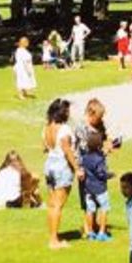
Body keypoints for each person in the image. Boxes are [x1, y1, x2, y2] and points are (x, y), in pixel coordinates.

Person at [43, 99, 78, 250]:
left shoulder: (46, 128)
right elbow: (67, 150)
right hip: (61, 167)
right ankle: (54, 240)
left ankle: (53, 235)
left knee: (52, 204)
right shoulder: (64, 129)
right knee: (58, 205)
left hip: (49, 165)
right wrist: (77, 168)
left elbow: (44, 148)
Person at [79, 130, 112, 241]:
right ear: (100, 144)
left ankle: (90, 232)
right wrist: (109, 175)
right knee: (104, 209)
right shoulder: (100, 159)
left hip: (88, 189)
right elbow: (101, 173)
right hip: (100, 189)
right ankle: (102, 232)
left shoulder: (84, 158)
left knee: (90, 210)